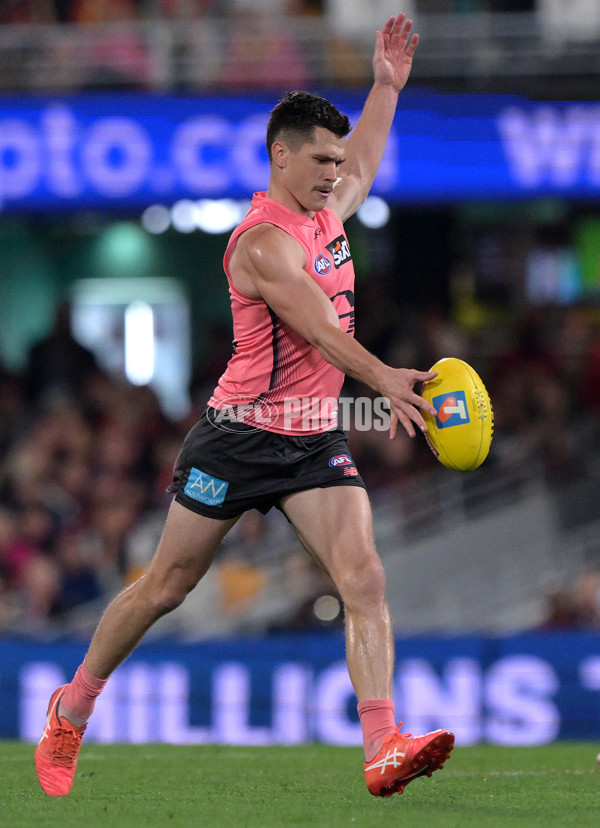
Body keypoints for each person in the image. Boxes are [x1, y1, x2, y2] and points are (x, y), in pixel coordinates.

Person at [35, 13, 454, 799]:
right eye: (319, 160)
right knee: (165, 587)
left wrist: (385, 88)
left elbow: (364, 156)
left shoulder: (329, 207)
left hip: (311, 442)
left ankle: (381, 745)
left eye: (336, 160)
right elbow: (324, 334)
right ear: (281, 156)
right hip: (236, 439)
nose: (335, 172)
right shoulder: (262, 244)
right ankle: (72, 705)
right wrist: (387, 379)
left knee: (363, 576)